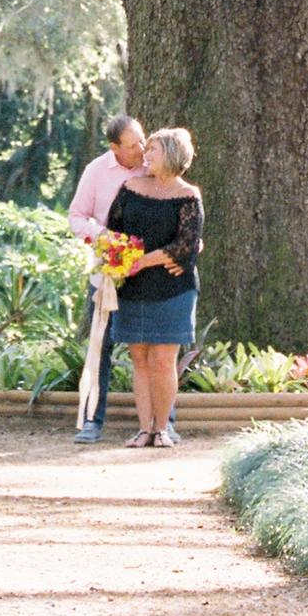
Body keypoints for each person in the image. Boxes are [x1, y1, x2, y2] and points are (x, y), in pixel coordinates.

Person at [106, 128, 202, 448]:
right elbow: (113, 233)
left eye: (154, 151)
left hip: (174, 289)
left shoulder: (188, 196)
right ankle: (144, 429)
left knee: (163, 360)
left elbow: (186, 245)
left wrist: (143, 261)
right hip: (133, 287)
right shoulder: (130, 187)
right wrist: (118, 261)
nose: (146, 155)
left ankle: (162, 429)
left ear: (173, 155)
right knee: (140, 360)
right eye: (146, 150)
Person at [67, 114, 144, 444]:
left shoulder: (152, 163)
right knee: (100, 349)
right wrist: (106, 238)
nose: (141, 149)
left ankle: (161, 422)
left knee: (153, 349)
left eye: (143, 139)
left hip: (147, 274)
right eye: (133, 145)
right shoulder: (96, 171)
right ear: (115, 148)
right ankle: (91, 422)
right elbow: (76, 218)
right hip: (106, 276)